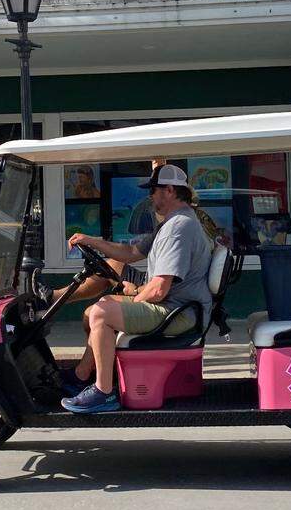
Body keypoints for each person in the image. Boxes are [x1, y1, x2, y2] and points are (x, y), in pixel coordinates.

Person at [59, 164, 214, 414]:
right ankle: (83, 374)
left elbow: (159, 290)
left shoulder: (178, 229)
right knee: (98, 308)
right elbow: (131, 253)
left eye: (153, 190)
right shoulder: (172, 224)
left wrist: (135, 294)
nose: (150, 195)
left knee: (101, 313)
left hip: (179, 313)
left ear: (170, 190)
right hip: (177, 305)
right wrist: (90, 240)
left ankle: (103, 392)